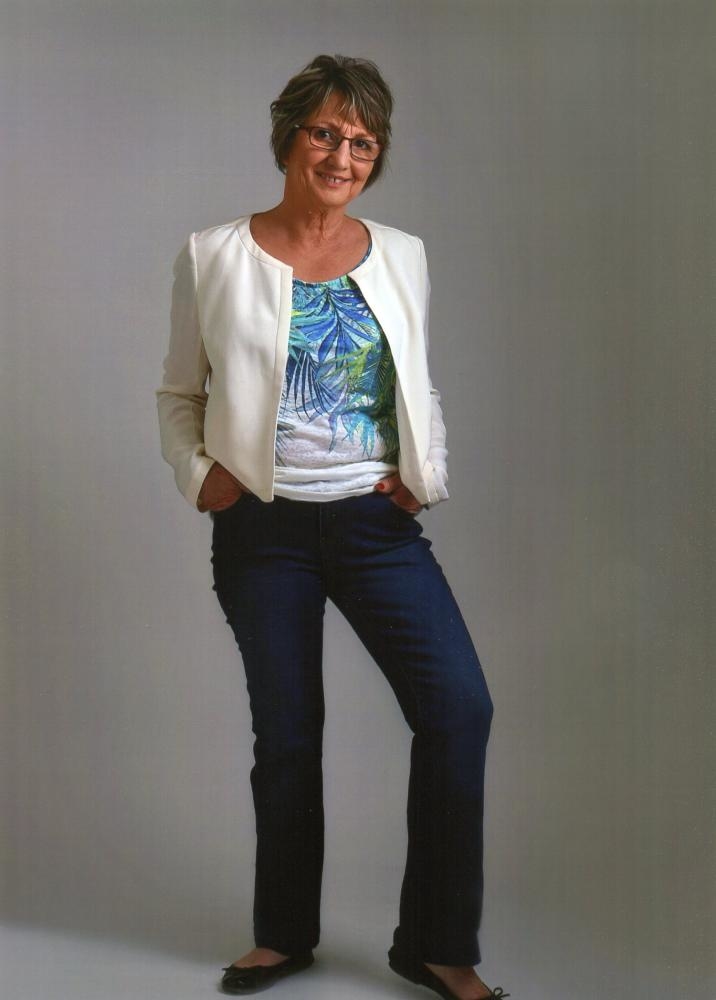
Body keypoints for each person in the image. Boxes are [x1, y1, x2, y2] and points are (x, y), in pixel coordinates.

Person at [156, 55, 507, 1000]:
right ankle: (282, 936)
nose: (342, 156)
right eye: (325, 133)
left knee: (459, 709)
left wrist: (426, 474)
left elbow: (416, 381)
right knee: (289, 735)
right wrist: (199, 474)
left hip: (374, 529)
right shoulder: (213, 254)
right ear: (289, 137)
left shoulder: (401, 253)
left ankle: (435, 943)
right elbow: (180, 392)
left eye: (362, 141)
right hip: (263, 534)